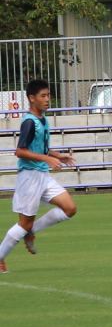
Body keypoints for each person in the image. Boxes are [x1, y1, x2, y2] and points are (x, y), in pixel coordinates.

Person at [0, 78, 77, 272]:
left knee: (69, 208)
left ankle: (31, 232)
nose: (47, 99)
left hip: (42, 176)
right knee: (24, 222)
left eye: (49, 95)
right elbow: (20, 151)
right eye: (43, 96)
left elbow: (40, 147)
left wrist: (57, 155)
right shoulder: (29, 122)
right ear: (32, 98)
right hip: (30, 177)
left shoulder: (43, 119)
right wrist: (45, 159)